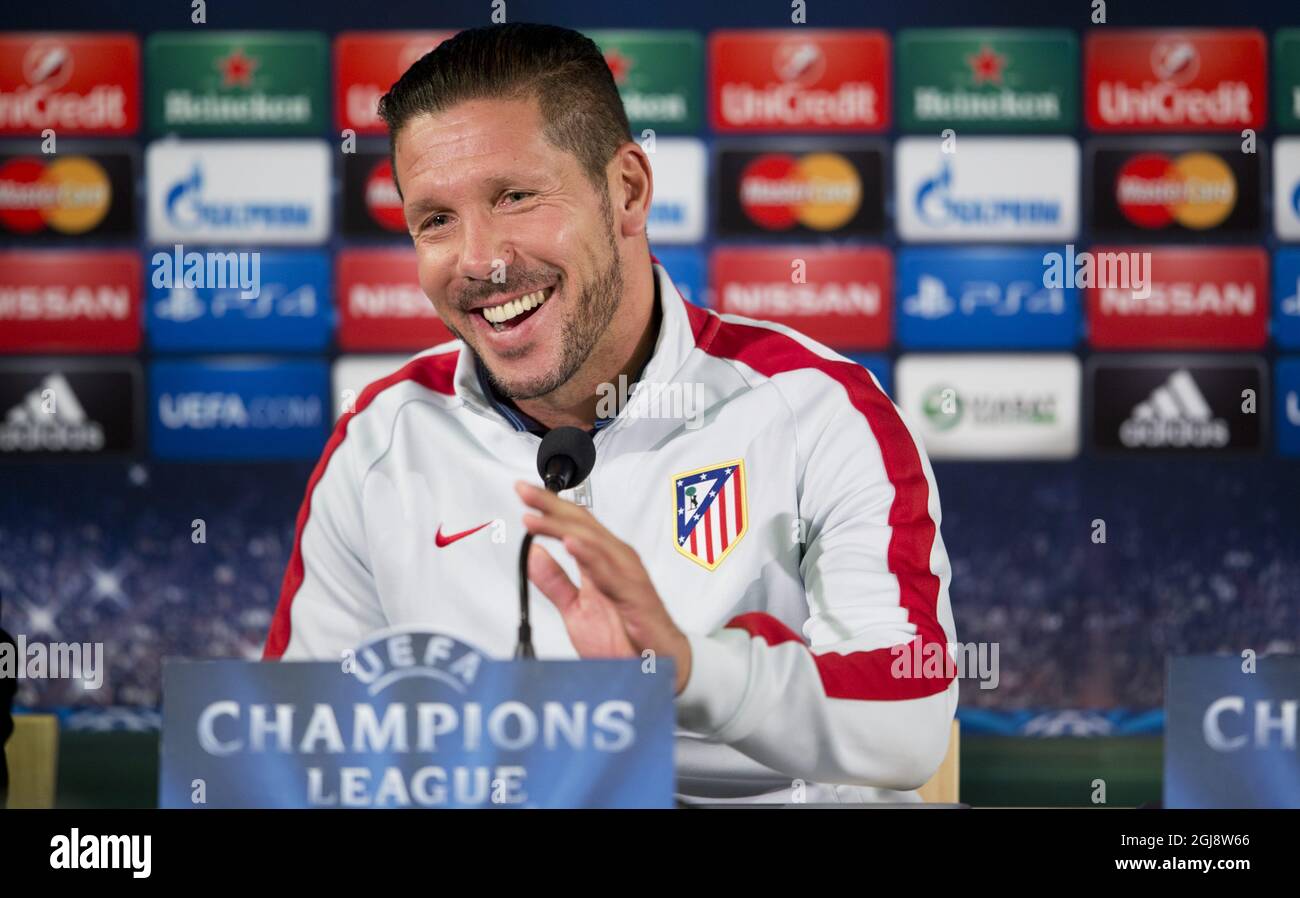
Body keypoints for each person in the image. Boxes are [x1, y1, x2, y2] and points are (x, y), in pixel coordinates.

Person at [264, 23, 958, 803]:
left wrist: (687, 670)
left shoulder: (818, 411)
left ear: (626, 190)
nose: (480, 260)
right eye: (435, 220)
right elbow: (296, 754)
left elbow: (912, 718)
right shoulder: (379, 442)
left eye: (516, 196)